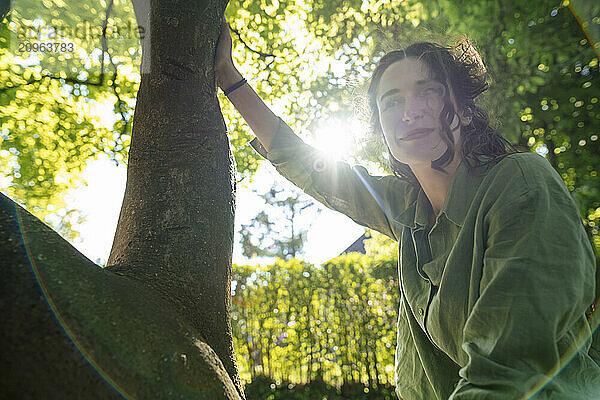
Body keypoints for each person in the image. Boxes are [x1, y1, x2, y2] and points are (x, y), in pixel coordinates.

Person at [214, 17, 600, 399]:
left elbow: (508, 372)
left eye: (428, 92)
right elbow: (310, 167)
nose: (409, 112)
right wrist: (229, 77)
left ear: (465, 112)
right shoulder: (406, 209)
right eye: (391, 102)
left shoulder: (522, 183)